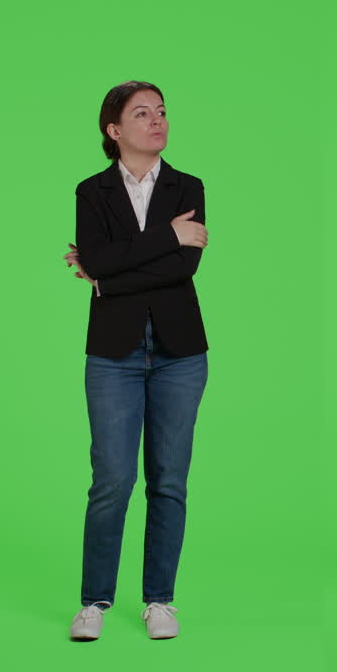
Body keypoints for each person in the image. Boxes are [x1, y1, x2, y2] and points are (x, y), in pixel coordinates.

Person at [62, 81, 208, 641]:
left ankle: (159, 600)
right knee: (112, 480)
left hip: (181, 354)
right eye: (142, 113)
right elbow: (97, 257)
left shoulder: (187, 185)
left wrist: (107, 275)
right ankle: (94, 601)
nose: (157, 120)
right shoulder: (91, 191)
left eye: (162, 111)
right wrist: (166, 235)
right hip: (113, 356)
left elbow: (183, 271)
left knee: (169, 480)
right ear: (114, 130)